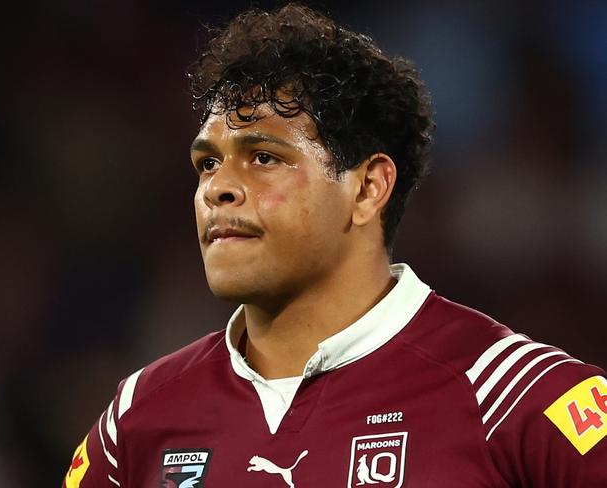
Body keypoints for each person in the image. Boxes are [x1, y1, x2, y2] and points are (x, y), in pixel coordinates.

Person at [62, 4, 607, 487]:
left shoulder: (513, 397)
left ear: (368, 188)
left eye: (264, 157)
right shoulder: (136, 420)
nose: (216, 188)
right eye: (207, 163)